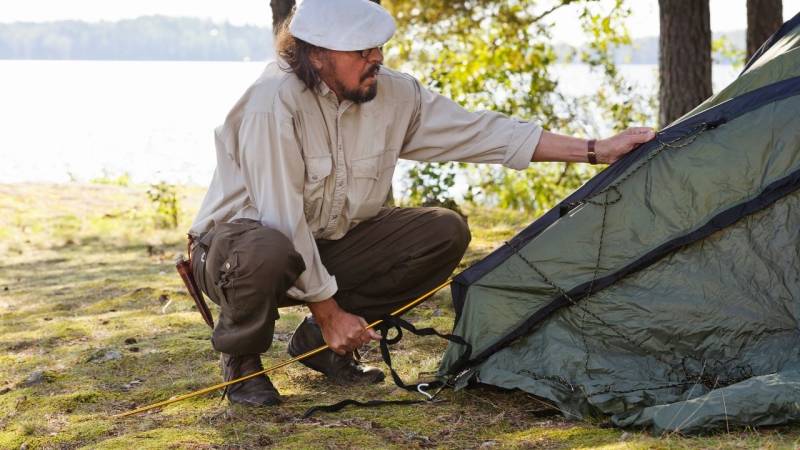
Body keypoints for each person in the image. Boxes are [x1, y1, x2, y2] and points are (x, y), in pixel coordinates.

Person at [187, 0, 655, 407]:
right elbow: (282, 220)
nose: (375, 59)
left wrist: (596, 149)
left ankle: (321, 347)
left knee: (442, 231)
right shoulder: (272, 103)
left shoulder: (394, 93)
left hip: (323, 243)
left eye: (378, 48)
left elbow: (483, 132)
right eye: (360, 51)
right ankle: (242, 360)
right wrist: (326, 310)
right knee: (266, 249)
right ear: (317, 55)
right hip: (237, 254)